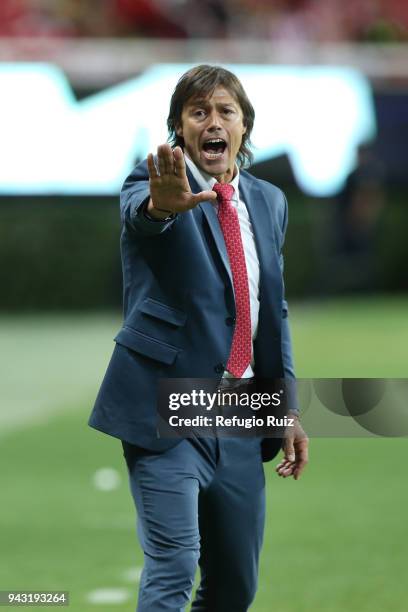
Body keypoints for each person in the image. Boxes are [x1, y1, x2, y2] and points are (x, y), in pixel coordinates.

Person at [89, 64, 309, 611]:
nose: (213, 121)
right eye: (198, 112)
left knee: (235, 587)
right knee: (175, 564)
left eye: (224, 111)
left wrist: (284, 409)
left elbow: (270, 312)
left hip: (238, 410)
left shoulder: (269, 202)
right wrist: (162, 205)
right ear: (180, 129)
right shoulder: (154, 184)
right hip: (169, 406)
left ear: (243, 126)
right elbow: (143, 216)